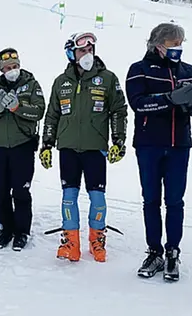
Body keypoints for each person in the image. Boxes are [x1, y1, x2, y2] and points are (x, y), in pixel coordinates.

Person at [125, 22, 192, 281]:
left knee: (174, 201)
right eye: (174, 44)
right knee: (151, 199)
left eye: (181, 44)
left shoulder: (189, 71)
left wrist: (190, 104)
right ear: (158, 44)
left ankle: (173, 251)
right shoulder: (139, 69)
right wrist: (169, 99)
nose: (178, 49)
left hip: (179, 145)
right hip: (149, 144)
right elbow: (138, 104)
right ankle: (154, 251)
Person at [40, 32, 128, 263]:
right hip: (68, 147)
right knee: (69, 198)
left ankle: (97, 241)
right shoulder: (61, 82)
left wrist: (119, 141)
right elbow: (52, 115)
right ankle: (71, 242)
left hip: (95, 148)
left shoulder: (108, 79)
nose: (87, 54)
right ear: (71, 53)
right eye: (82, 50)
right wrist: (47, 144)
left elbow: (119, 111)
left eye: (90, 50)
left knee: (97, 199)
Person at [0, 48, 46, 251]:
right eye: (7, 68)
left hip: (22, 146)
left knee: (21, 191)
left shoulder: (31, 85)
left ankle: (22, 231)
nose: (12, 70)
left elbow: (40, 110)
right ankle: (4, 230)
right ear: (1, 69)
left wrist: (19, 108)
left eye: (15, 66)